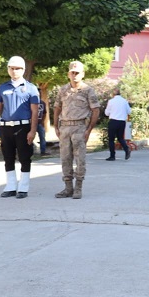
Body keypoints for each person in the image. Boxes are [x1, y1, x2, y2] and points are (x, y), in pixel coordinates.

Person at [0, 56, 40, 199]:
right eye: (12, 68)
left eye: (18, 68)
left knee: (24, 157)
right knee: (8, 157)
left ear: (23, 70)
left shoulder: (31, 88)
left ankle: (23, 187)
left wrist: (33, 130)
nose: (14, 71)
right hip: (6, 128)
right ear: (8, 69)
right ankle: (11, 186)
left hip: (23, 127)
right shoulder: (2, 87)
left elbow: (35, 111)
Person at [52, 61, 101, 200]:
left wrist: (89, 130)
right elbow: (57, 108)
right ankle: (68, 188)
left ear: (82, 74)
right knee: (65, 158)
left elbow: (96, 110)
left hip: (80, 127)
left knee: (80, 159)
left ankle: (78, 187)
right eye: (72, 72)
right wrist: (56, 126)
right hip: (65, 127)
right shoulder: (63, 90)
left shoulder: (88, 90)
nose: (74, 75)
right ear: (68, 74)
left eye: (77, 73)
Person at [105, 88, 132, 161]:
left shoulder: (111, 101)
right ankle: (126, 149)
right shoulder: (124, 101)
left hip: (113, 121)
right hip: (122, 122)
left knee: (111, 139)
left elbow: (107, 113)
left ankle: (112, 156)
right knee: (120, 138)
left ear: (113, 94)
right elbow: (129, 111)